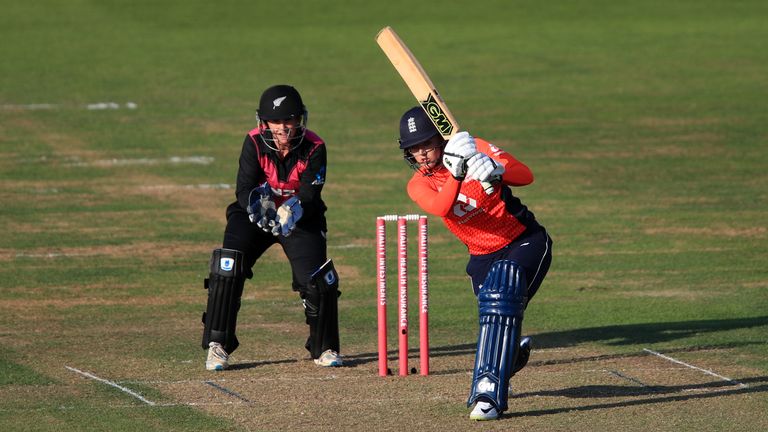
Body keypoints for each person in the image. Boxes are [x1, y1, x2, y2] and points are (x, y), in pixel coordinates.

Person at [395, 107, 553, 420]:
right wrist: (456, 175)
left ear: (441, 139)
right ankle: (508, 356)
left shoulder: (474, 147)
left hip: (524, 240)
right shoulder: (418, 184)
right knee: (494, 317)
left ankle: (488, 397)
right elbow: (441, 207)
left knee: (501, 296)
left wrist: (496, 168)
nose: (422, 154)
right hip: (481, 256)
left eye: (427, 144)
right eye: (414, 149)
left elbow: (526, 175)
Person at [200, 85, 342, 371]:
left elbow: (311, 194)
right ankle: (218, 345)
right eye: (276, 121)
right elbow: (243, 189)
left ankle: (324, 346)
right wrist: (259, 205)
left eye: (289, 120)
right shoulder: (252, 142)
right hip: (255, 215)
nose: (283, 128)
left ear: (300, 119)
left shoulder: (315, 146)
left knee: (317, 279)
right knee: (227, 266)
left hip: (301, 217)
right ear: (263, 122)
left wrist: (291, 207)